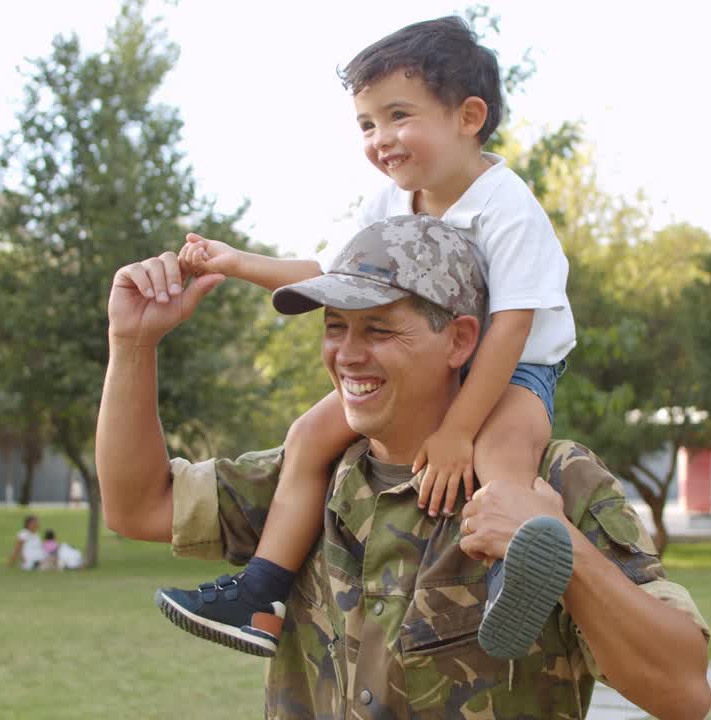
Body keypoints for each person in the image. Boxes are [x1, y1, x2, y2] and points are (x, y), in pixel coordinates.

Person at [97, 215, 711, 719]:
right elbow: (138, 506)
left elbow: (682, 692)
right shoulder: (305, 477)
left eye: (380, 329)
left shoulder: (550, 479)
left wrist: (566, 554)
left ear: (461, 341)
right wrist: (132, 344)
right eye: (335, 328)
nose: (347, 354)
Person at [165, 15, 577, 660]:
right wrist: (236, 261)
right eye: (366, 123)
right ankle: (261, 595)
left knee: (505, 455)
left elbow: (512, 328)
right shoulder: (389, 203)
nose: (380, 138)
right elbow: (329, 277)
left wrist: (457, 431)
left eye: (398, 116)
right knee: (307, 436)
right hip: (429, 366)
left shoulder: (507, 207)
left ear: (469, 117)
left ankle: (512, 585)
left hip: (515, 365)